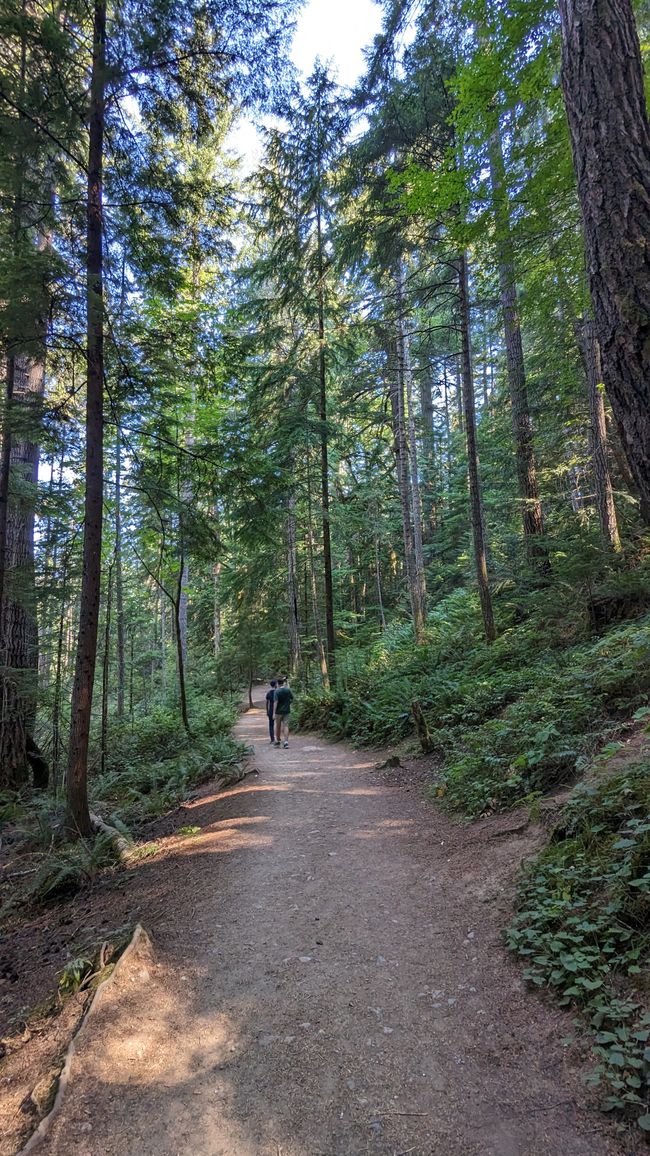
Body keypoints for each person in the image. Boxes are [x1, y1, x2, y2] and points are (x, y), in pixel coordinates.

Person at [273, 676, 294, 748]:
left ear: (277, 683)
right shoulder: (288, 690)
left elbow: (275, 702)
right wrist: (288, 704)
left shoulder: (276, 691)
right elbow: (292, 698)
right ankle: (286, 742)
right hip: (286, 711)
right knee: (286, 726)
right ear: (283, 682)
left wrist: (273, 713)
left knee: (278, 726)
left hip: (278, 712)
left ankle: (278, 741)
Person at [265, 680, 277, 744]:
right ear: (275, 685)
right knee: (279, 724)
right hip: (278, 711)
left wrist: (267, 711)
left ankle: (272, 739)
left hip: (271, 711)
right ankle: (278, 738)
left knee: (271, 725)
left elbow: (267, 703)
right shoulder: (277, 692)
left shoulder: (269, 693)